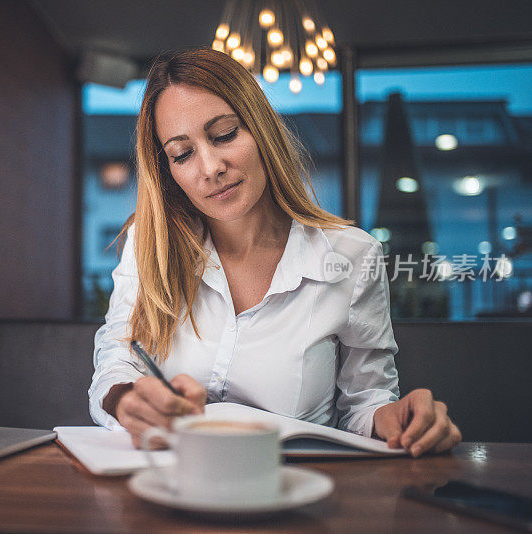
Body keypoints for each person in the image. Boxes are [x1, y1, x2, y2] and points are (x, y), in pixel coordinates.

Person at [88, 48, 461, 458]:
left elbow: (365, 400)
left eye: (225, 134)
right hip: (168, 485)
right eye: (182, 153)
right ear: (168, 170)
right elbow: (116, 364)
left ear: (261, 130)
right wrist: (126, 401)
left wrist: (393, 418)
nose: (210, 167)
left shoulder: (352, 256)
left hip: (293, 490)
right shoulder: (150, 244)